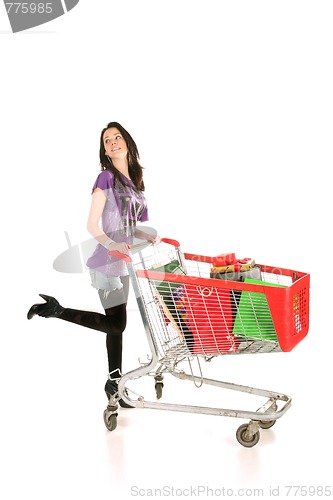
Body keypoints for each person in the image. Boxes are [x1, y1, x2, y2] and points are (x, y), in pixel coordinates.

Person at [27, 121, 160, 407]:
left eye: (117, 137)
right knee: (117, 326)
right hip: (106, 262)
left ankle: (114, 384)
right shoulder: (105, 178)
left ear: (127, 142)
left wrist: (144, 234)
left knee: (115, 324)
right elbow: (92, 224)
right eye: (107, 140)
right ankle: (56, 310)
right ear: (104, 149)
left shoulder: (136, 182)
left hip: (125, 264)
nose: (112, 142)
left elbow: (129, 225)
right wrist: (112, 244)